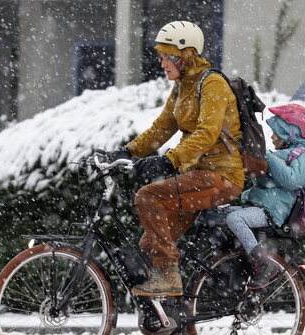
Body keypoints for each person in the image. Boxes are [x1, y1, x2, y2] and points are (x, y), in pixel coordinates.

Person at [104, 20, 244, 298]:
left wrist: (169, 160)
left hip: (222, 177)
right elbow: (162, 127)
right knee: (148, 250)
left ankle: (169, 276)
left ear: (186, 54)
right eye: (160, 56)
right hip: (196, 177)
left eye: (167, 56)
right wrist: (126, 151)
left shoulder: (212, 84)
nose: (161, 63)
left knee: (148, 197)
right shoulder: (182, 87)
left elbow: (206, 133)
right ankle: (171, 327)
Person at [226, 104, 305, 289]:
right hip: (261, 209)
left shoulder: (304, 157)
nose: (273, 137)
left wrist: (267, 156)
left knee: (234, 218)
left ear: (290, 134)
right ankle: (234, 270)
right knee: (216, 216)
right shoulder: (280, 155)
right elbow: (265, 186)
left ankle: (261, 263)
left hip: (272, 214)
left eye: (277, 133)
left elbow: (291, 180)